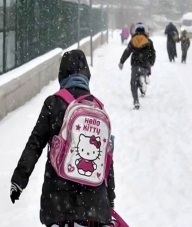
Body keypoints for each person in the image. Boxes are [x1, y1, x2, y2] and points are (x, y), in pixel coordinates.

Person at [10, 50, 116, 226]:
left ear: (62, 74)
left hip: (58, 201)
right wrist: (109, 199)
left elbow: (35, 144)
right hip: (94, 205)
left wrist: (19, 180)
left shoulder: (53, 103)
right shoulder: (98, 109)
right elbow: (107, 160)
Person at [118, 22, 156, 109]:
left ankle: (136, 102)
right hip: (145, 65)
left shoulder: (133, 40)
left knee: (133, 83)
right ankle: (144, 78)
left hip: (135, 64)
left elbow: (127, 52)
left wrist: (121, 62)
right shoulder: (149, 42)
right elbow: (153, 53)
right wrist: (151, 62)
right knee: (142, 75)